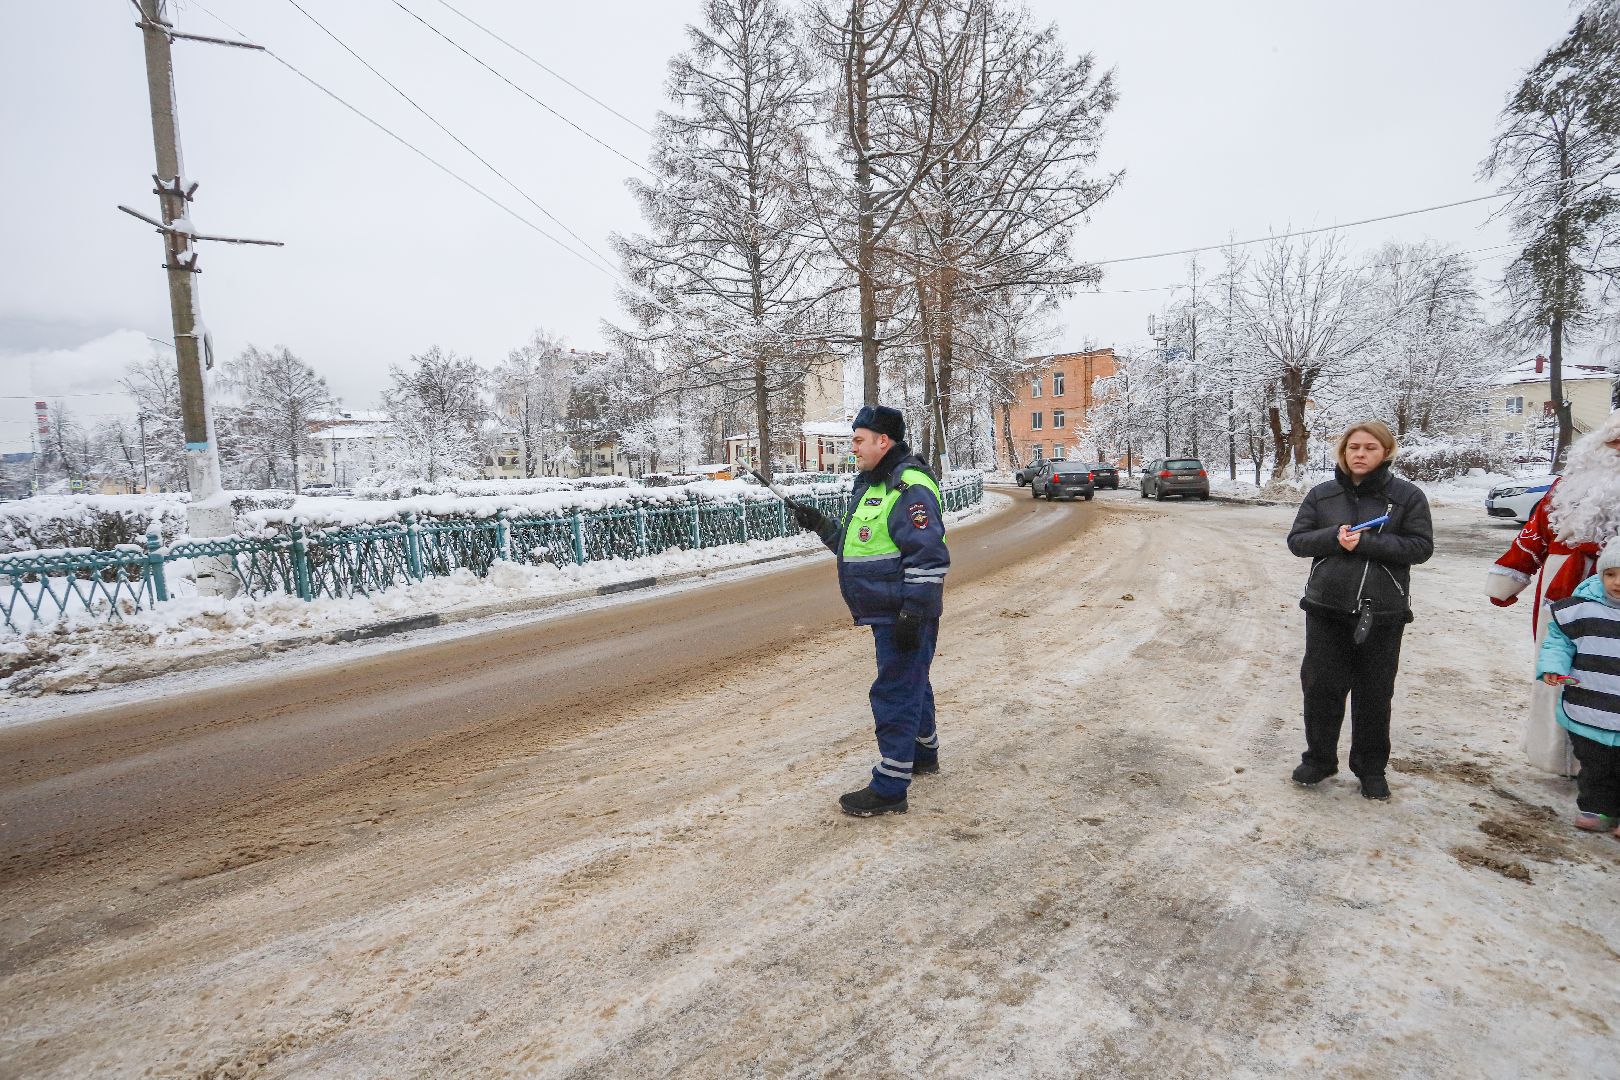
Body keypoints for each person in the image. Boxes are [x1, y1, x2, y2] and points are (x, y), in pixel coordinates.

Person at [790, 404, 949, 817]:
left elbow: (929, 556)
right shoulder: (874, 484)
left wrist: (914, 614)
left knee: (895, 690)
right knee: (912, 680)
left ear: (884, 441)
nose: (853, 448)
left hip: (902, 610)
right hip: (890, 607)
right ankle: (923, 752)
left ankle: (891, 787)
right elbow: (861, 544)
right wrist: (821, 525)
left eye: (859, 440)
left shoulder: (907, 486)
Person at [1286, 421, 1434, 799]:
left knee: (1374, 694)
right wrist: (1334, 537)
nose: (1361, 454)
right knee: (1321, 689)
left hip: (1382, 613)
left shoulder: (1407, 497)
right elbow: (1298, 541)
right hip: (1326, 608)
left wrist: (1367, 543)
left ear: (1385, 452)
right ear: (1343, 452)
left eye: (1370, 448)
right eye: (1354, 447)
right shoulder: (1322, 495)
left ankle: (1370, 769)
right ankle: (1319, 759)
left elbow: (1420, 548)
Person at [1489, 412, 1620, 774]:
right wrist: (1508, 580)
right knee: (1556, 665)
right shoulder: (1566, 488)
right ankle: (1556, 755)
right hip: (1562, 587)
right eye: (1614, 442)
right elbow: (1534, 535)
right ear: (1597, 445)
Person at [1535, 539, 1620, 837]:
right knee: (1596, 764)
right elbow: (1559, 641)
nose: (1617, 582)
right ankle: (1597, 809)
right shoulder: (1582, 609)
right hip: (1591, 703)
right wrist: (1553, 667)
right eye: (1610, 574)